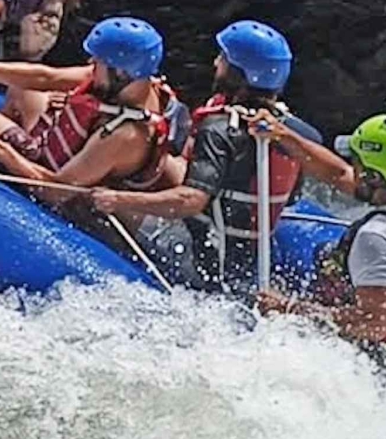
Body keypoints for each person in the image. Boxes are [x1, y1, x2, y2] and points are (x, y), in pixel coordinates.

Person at [90, 20, 307, 293]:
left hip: (204, 258)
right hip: (245, 258)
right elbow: (291, 197)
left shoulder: (218, 130)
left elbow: (191, 201)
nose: (216, 63)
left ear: (239, 73)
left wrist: (118, 199)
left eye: (223, 59)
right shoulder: (293, 132)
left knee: (95, 207)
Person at [253, 99, 386, 349]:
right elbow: (339, 175)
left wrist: (287, 308)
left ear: (373, 176)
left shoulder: (376, 238)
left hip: (376, 343)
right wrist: (283, 135)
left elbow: (372, 325)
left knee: (279, 236)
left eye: (357, 162)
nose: (352, 166)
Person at [0, 17, 177, 206]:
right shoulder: (139, 83)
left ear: (121, 73)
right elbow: (47, 77)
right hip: (59, 150)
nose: (91, 64)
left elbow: (56, 191)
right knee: (22, 89)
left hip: (56, 180)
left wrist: (1, 151)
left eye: (98, 62)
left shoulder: (124, 135)